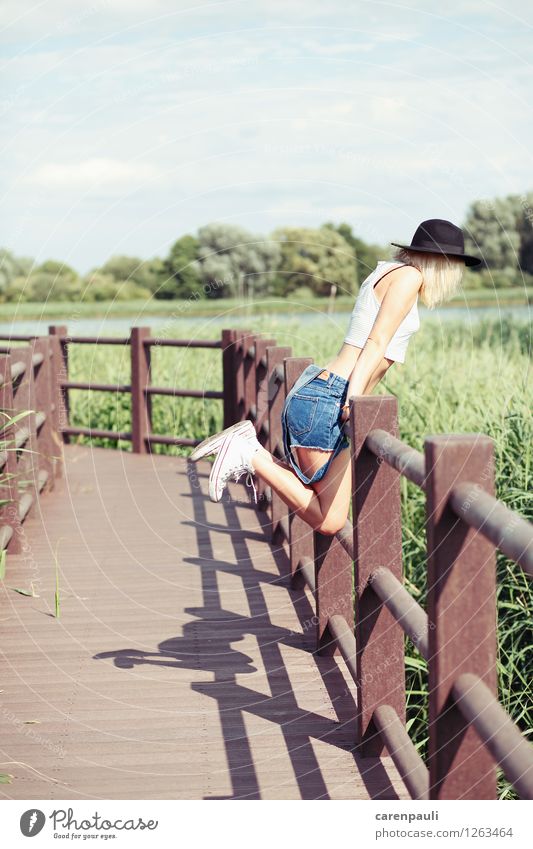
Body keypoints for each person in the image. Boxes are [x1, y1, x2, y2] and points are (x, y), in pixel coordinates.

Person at [189, 218, 481, 534]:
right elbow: (376, 341)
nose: (457, 275)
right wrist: (354, 399)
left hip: (326, 393)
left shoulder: (387, 272)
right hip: (333, 399)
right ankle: (250, 454)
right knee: (329, 520)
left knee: (331, 517)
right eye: (456, 264)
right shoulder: (409, 277)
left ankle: (248, 448)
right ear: (441, 261)